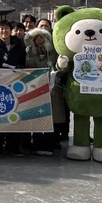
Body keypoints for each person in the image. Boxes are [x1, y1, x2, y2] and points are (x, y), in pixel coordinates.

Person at [0, 20, 26, 156]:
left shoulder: (18, 44)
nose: (4, 31)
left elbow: (23, 61)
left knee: (15, 112)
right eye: (1, 29)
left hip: (14, 83)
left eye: (6, 28)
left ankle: (13, 146)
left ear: (10, 29)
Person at [25, 27, 64, 156]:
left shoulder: (53, 52)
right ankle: (36, 144)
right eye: (37, 38)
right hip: (35, 89)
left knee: (51, 117)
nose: (40, 41)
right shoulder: (29, 52)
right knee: (37, 116)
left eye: (42, 38)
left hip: (52, 88)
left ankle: (49, 145)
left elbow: (59, 66)